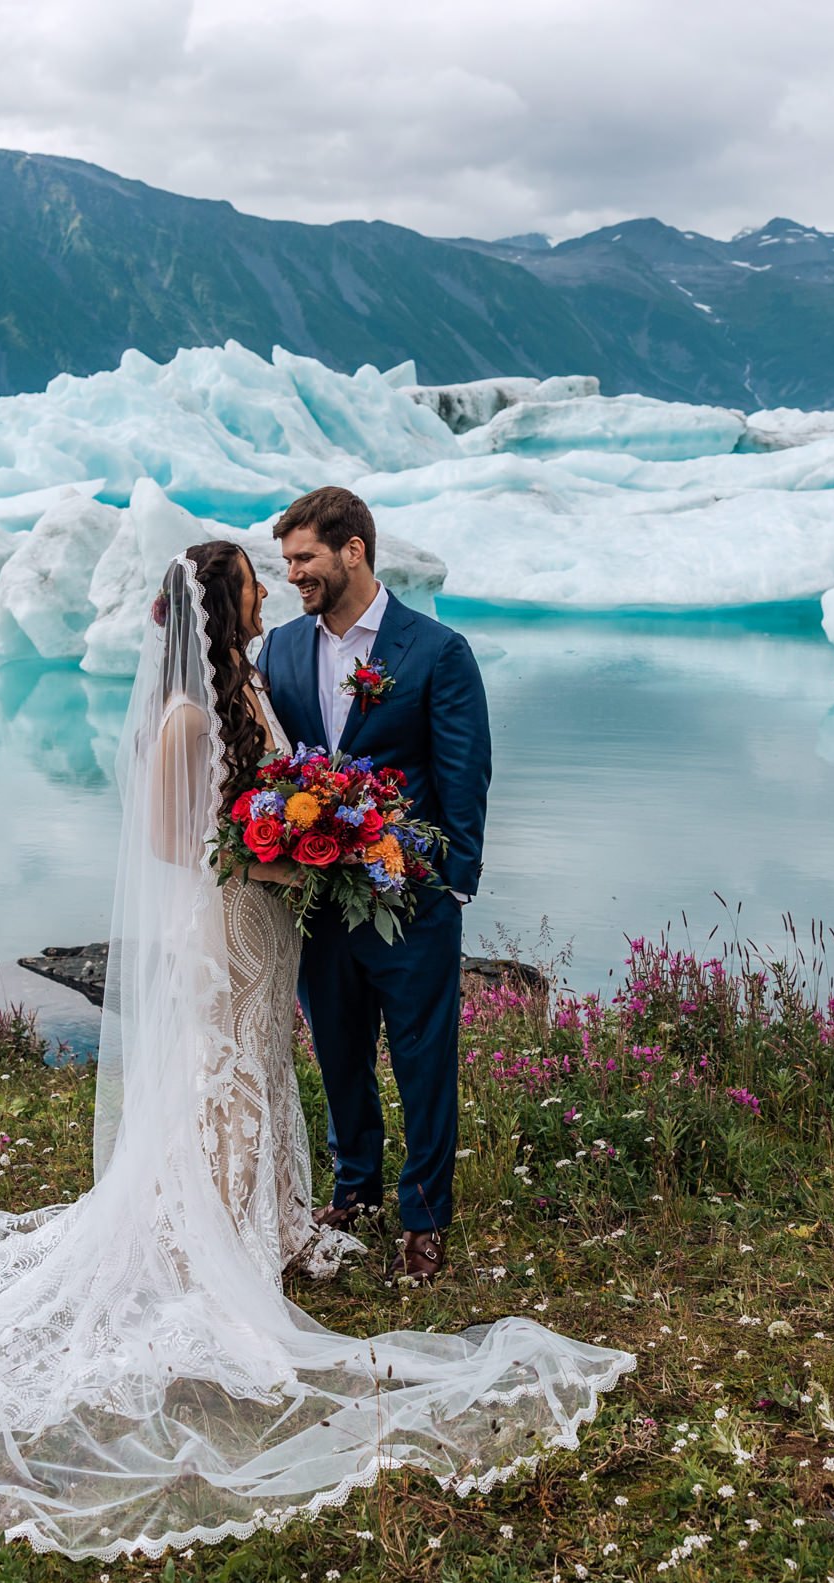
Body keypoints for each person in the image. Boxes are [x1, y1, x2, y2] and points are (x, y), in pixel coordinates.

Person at [0, 540, 631, 1562]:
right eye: (256, 579)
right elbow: (171, 841)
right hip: (223, 919)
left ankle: (263, 1213)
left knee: (257, 1061)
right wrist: (262, 843)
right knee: (220, 1068)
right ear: (222, 602)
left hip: (267, 914)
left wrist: (307, 832)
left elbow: (296, 781)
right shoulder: (180, 714)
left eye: (280, 569)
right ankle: (211, 1233)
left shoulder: (253, 679)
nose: (271, 586)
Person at [262, 486, 487, 1280]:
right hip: (317, 901)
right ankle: (352, 1185)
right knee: (337, 1049)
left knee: (424, 1056)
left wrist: (450, 886)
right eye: (287, 561)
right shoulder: (282, 649)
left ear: (352, 550)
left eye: (305, 558)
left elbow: (464, 775)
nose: (293, 575)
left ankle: (425, 1218)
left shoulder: (435, 651)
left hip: (409, 902)